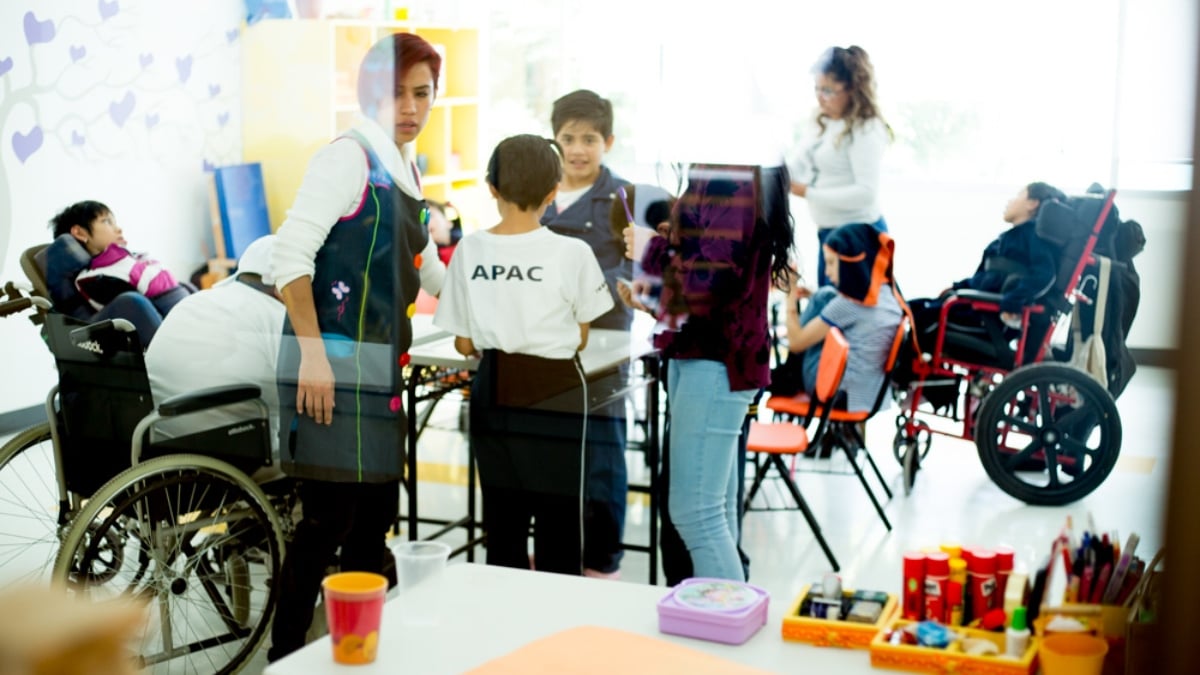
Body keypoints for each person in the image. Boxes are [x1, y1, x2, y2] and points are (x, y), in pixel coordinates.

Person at [266, 32, 447, 662]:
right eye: (394, 92)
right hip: (331, 365)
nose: (409, 106)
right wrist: (312, 355)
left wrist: (474, 309)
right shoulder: (346, 156)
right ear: (367, 92)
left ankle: (359, 652)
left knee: (374, 522)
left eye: (421, 93)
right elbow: (289, 258)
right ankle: (286, 655)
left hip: (378, 369)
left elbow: (419, 259)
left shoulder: (405, 162)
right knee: (327, 525)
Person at [434, 134, 614, 575]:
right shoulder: (573, 253)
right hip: (558, 390)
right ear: (554, 192)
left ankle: (503, 624)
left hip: (495, 386)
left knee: (503, 522)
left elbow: (462, 344)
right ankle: (556, 632)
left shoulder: (470, 249)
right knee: (560, 524)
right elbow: (582, 335)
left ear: (491, 188)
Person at [624, 164, 794, 581]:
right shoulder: (727, 173)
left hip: (716, 358)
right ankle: (725, 623)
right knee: (710, 512)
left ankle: (726, 623)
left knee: (696, 513)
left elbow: (710, 281)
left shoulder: (731, 178)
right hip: (702, 353)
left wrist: (653, 248)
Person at [541, 89, 631, 578]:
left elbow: (635, 278)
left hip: (605, 346)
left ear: (608, 141)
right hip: (544, 346)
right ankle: (557, 553)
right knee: (550, 450)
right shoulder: (538, 190)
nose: (578, 149)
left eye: (589, 139)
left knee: (601, 453)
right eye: (568, 138)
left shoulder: (625, 199)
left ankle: (601, 558)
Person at [144, 234, 286, 469]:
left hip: (163, 445)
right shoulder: (277, 317)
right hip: (233, 453)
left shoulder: (196, 301)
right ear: (283, 286)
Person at [908, 181, 1066, 363]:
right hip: (975, 309)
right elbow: (982, 279)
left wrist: (1012, 301)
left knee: (920, 319)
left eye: (1018, 195)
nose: (1010, 201)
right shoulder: (1007, 239)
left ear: (1032, 203)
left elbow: (1044, 275)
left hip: (989, 321)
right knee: (913, 308)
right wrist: (956, 287)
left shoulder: (1034, 235)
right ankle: (929, 387)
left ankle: (907, 382)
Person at [773, 223, 904, 416]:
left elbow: (795, 344)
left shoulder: (850, 303)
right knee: (825, 295)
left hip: (837, 394)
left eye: (832, 263)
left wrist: (790, 294)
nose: (827, 272)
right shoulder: (888, 293)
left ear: (850, 262)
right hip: (872, 394)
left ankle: (789, 372)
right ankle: (790, 369)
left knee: (823, 297)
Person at [788, 46, 893, 287]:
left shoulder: (866, 128)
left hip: (859, 238)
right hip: (828, 235)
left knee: (843, 316)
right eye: (817, 88)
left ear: (853, 89)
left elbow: (865, 193)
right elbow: (797, 165)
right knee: (829, 311)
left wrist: (807, 192)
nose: (820, 97)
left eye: (828, 90)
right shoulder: (821, 121)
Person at [49, 200, 193, 317]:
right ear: (79, 233)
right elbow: (135, 311)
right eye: (107, 221)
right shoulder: (94, 279)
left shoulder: (128, 259)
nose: (118, 229)